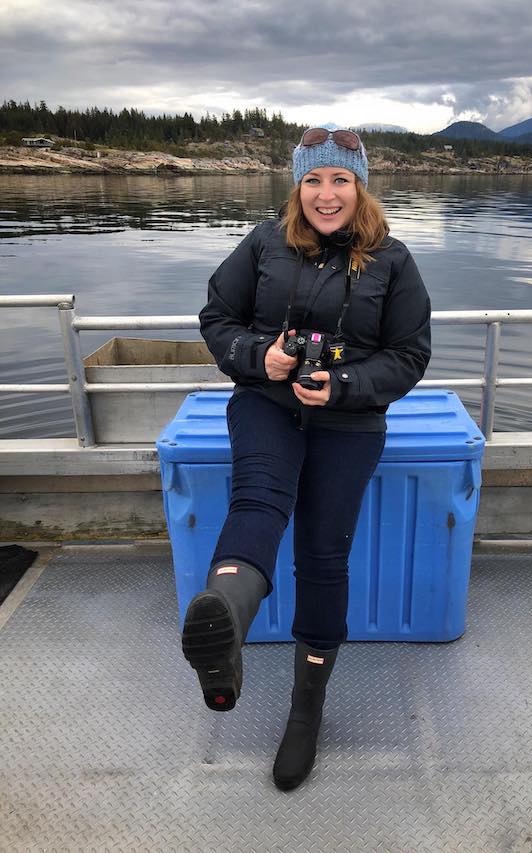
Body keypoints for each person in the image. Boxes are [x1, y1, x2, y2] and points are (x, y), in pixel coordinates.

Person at [181, 126, 431, 790]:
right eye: (313, 180)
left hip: (350, 422)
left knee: (323, 552)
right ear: (297, 186)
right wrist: (256, 356)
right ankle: (224, 628)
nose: (326, 194)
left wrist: (344, 384)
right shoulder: (264, 241)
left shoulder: (393, 259)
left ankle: (305, 709)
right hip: (265, 402)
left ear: (361, 185)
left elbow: (410, 354)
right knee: (259, 499)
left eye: (339, 179)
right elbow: (216, 316)